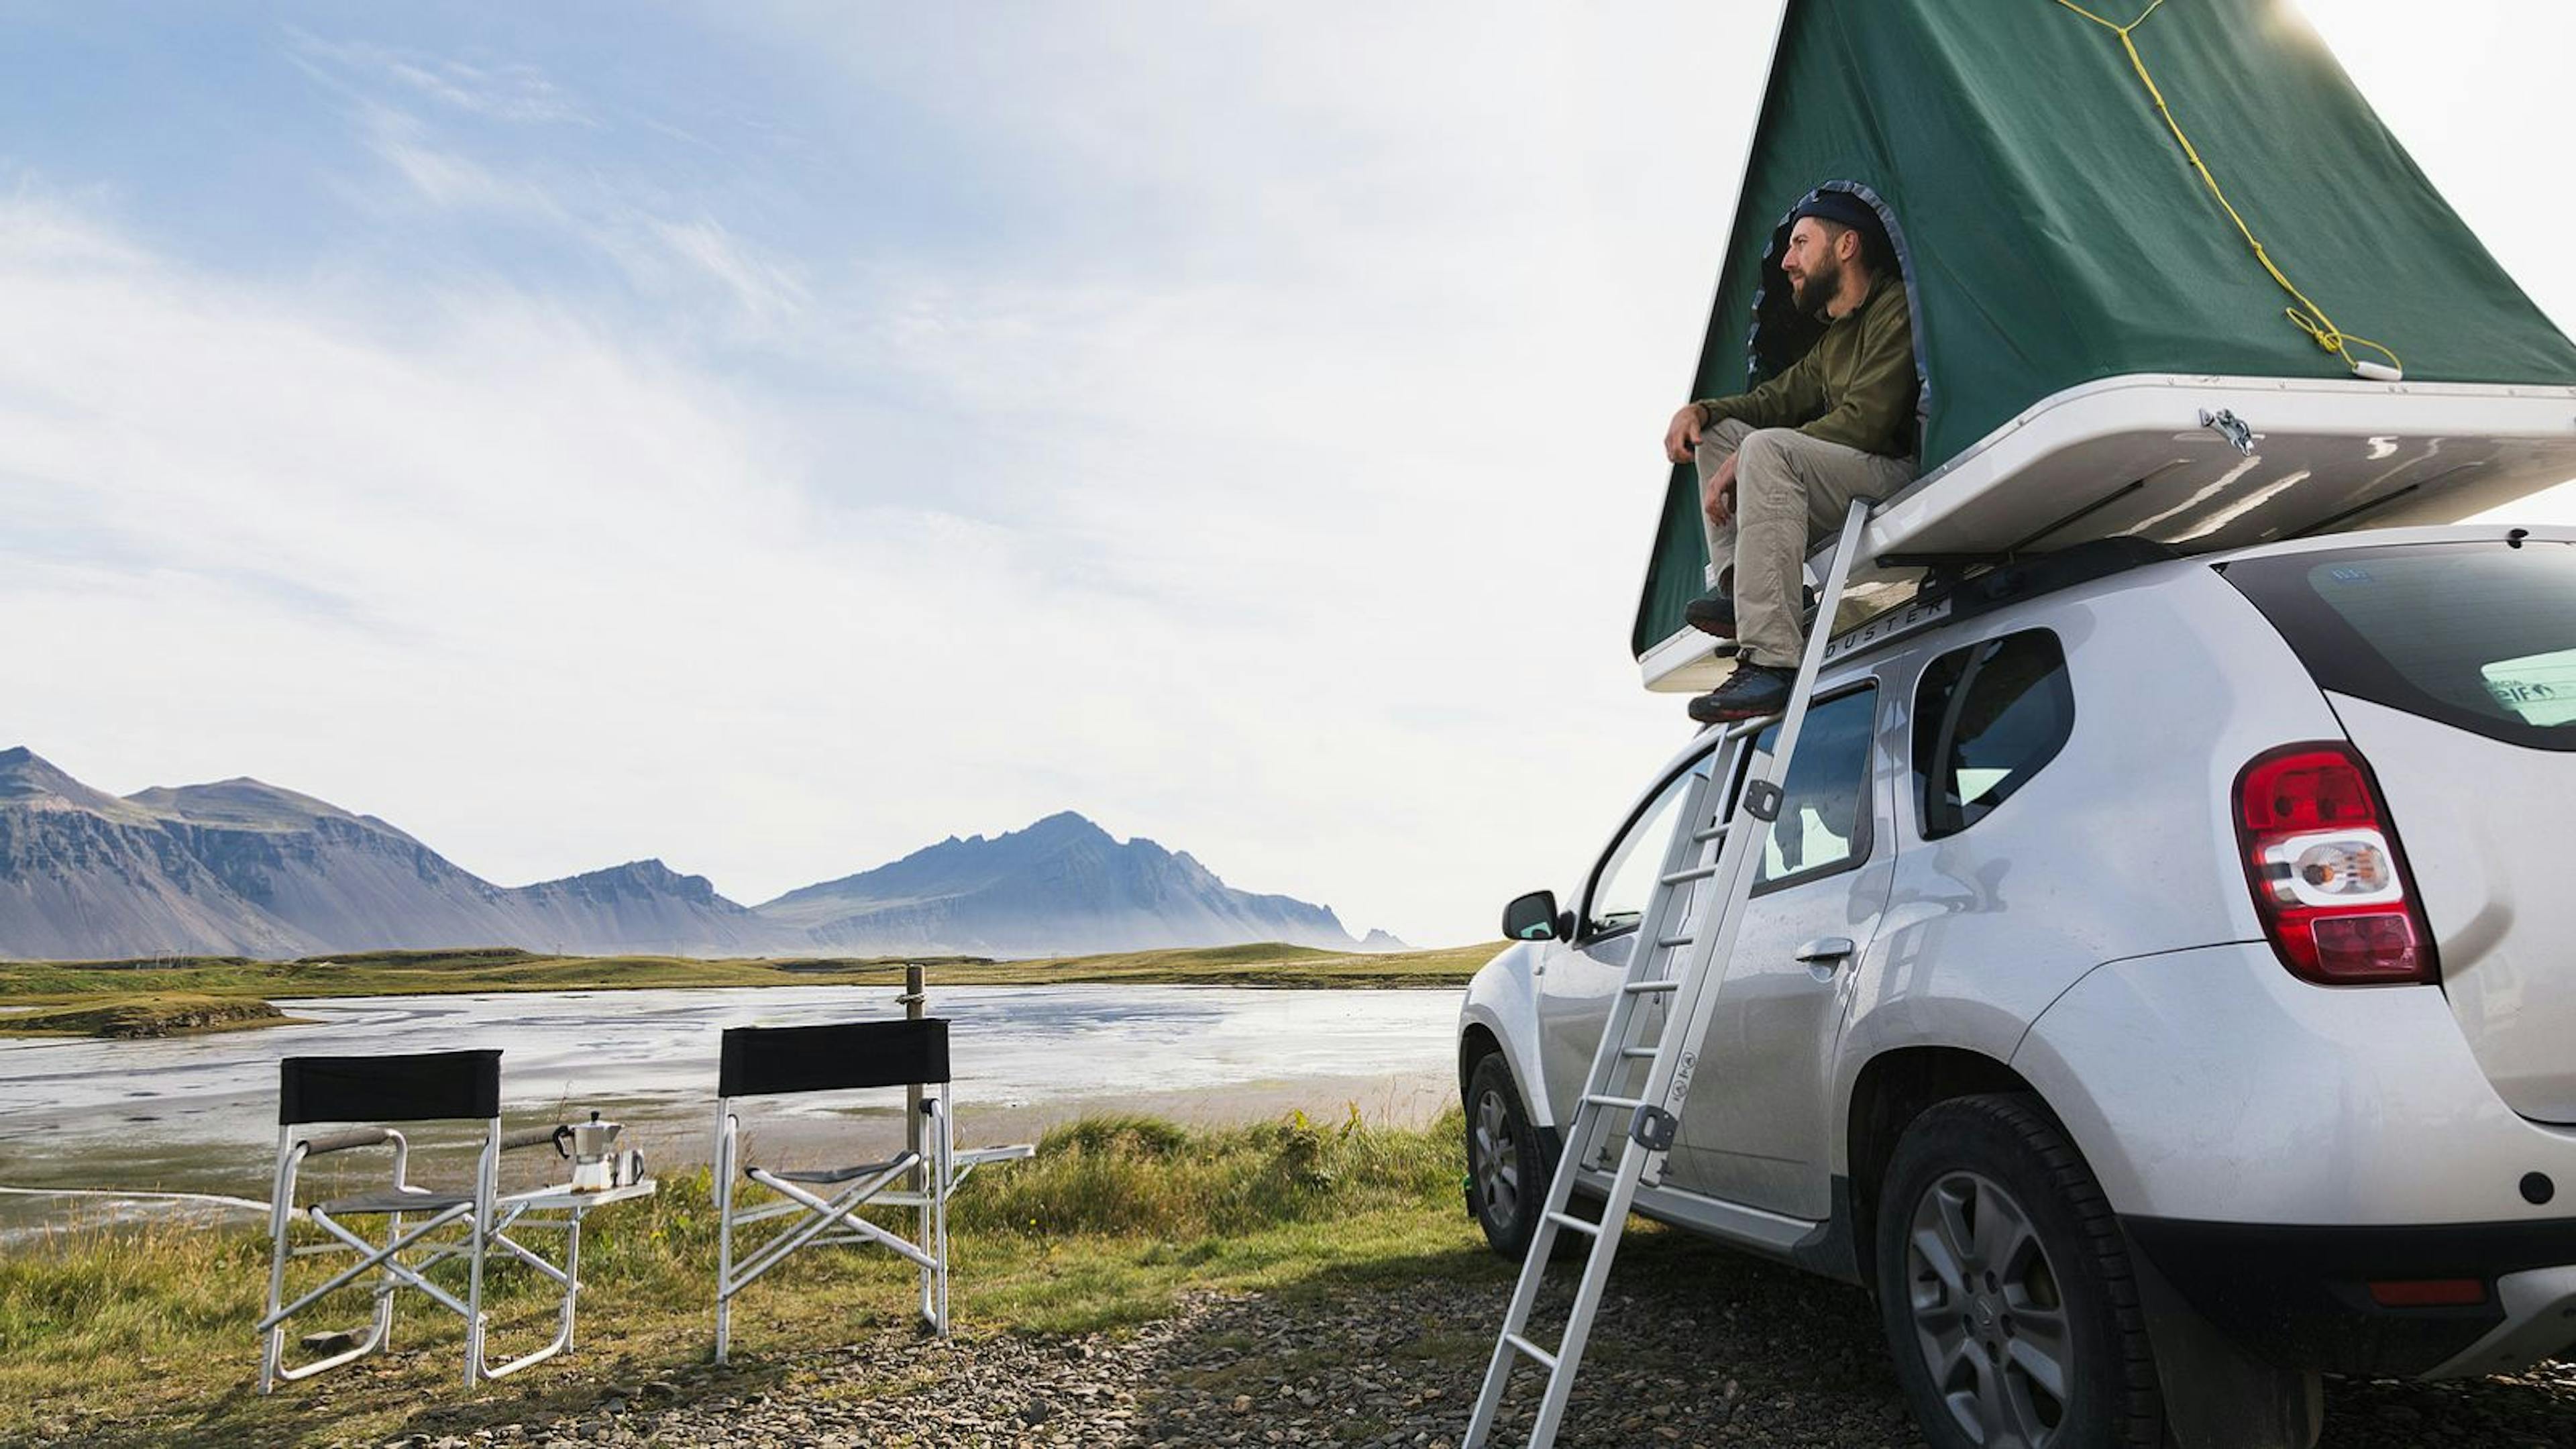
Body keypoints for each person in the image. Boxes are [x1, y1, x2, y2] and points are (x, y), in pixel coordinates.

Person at [1662, 191, 1919, 723]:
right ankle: (1742, 593)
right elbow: (1770, 401)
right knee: (1726, 435)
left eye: (1801, 244)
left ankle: (1771, 663)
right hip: (1843, 478)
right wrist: (1703, 412)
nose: (1787, 261)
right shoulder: (1833, 341)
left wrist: (1750, 460)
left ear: (1847, 246)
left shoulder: (1894, 306)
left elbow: (1869, 422)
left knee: (1764, 448)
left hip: (1894, 473)